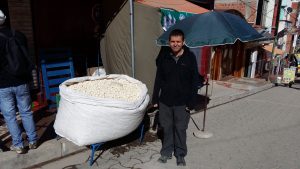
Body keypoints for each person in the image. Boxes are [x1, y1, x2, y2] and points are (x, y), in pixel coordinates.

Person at [152, 29, 199, 166]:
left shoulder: (190, 58)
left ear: (183, 42)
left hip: (182, 102)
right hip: (165, 101)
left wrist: (191, 101)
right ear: (169, 42)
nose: (175, 44)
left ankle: (180, 154)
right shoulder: (164, 58)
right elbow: (158, 79)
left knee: (180, 128)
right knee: (166, 128)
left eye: (178, 41)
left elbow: (194, 81)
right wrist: (155, 98)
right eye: (172, 41)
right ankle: (166, 152)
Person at [0, 9, 37, 154]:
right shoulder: (19, 35)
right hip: (22, 80)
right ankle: (33, 141)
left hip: (3, 84)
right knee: (26, 112)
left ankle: (19, 145)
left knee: (9, 115)